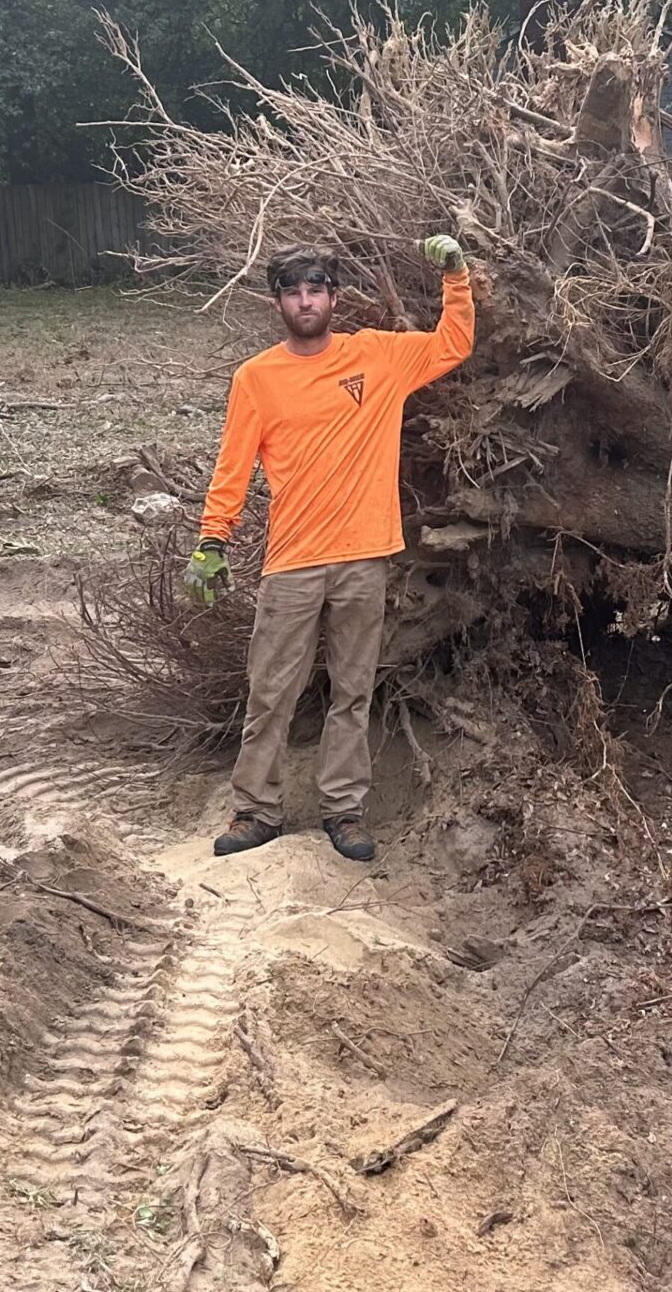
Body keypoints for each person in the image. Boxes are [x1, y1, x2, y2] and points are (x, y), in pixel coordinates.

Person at [183, 235, 475, 862]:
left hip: (365, 556)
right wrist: (212, 540)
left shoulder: (377, 357)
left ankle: (343, 811)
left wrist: (457, 277)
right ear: (279, 303)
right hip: (291, 561)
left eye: (316, 289)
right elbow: (232, 468)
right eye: (294, 292)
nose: (306, 301)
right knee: (271, 692)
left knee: (353, 691)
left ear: (335, 298)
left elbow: (454, 344)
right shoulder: (257, 379)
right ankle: (257, 811)